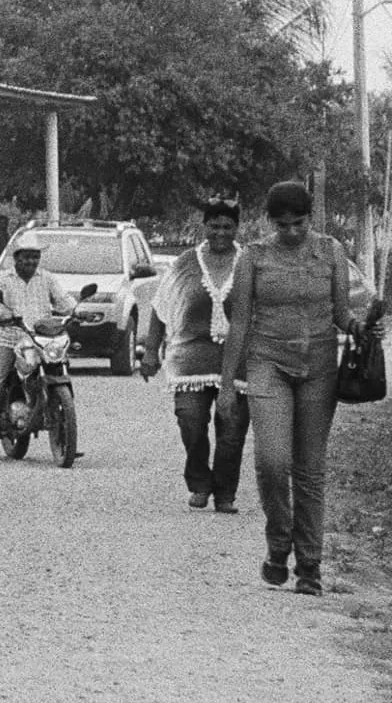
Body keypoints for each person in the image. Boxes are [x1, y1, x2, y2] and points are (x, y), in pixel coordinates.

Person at [216, 181, 374, 596]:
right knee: (272, 462)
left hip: (319, 367)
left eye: (299, 224)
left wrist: (359, 327)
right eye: (282, 225)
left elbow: (341, 313)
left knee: (309, 470)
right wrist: (227, 386)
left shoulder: (332, 252)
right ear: (270, 221)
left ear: (310, 218)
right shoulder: (254, 257)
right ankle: (277, 543)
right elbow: (240, 323)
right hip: (266, 363)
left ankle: (309, 565)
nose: (291, 232)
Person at [142, 199, 251, 511]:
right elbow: (160, 306)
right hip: (189, 361)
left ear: (236, 229)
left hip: (238, 366)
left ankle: (226, 493)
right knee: (190, 421)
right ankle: (200, 482)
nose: (220, 233)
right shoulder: (186, 262)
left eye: (227, 227)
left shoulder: (248, 263)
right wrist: (151, 352)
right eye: (214, 226)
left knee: (231, 431)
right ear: (205, 226)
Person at [0, 237, 81, 456]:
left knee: (60, 366)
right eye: (27, 257)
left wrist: (75, 311)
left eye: (35, 257)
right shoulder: (0, 279)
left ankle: (65, 432)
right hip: (9, 338)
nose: (31, 261)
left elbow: (63, 301)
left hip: (40, 339)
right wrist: (2, 315)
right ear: (16, 258)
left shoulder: (46, 278)